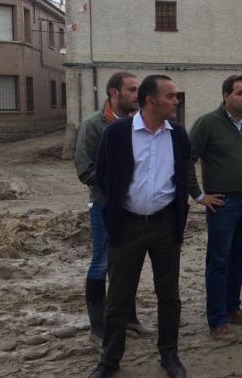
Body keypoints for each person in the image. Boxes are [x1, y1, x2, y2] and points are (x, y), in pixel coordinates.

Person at [88, 75, 190, 378]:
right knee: (118, 299)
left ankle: (169, 356)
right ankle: (110, 362)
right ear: (150, 100)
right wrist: (119, 211)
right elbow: (104, 175)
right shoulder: (118, 133)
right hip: (127, 227)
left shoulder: (178, 135)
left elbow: (182, 176)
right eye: (170, 96)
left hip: (165, 226)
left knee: (169, 296)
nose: (176, 101)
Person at [74, 71, 149, 348]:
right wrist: (117, 191)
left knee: (128, 263)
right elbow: (85, 169)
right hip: (105, 207)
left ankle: (129, 318)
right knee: (102, 262)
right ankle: (98, 327)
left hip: (133, 207)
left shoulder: (136, 124)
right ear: (113, 93)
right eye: (131, 90)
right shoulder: (93, 125)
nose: (136, 95)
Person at [188, 74, 242, 339]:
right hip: (222, 204)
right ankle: (217, 320)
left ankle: (233, 307)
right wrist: (199, 196)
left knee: (239, 258)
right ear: (226, 96)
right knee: (218, 261)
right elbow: (187, 159)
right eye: (240, 93)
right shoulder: (208, 123)